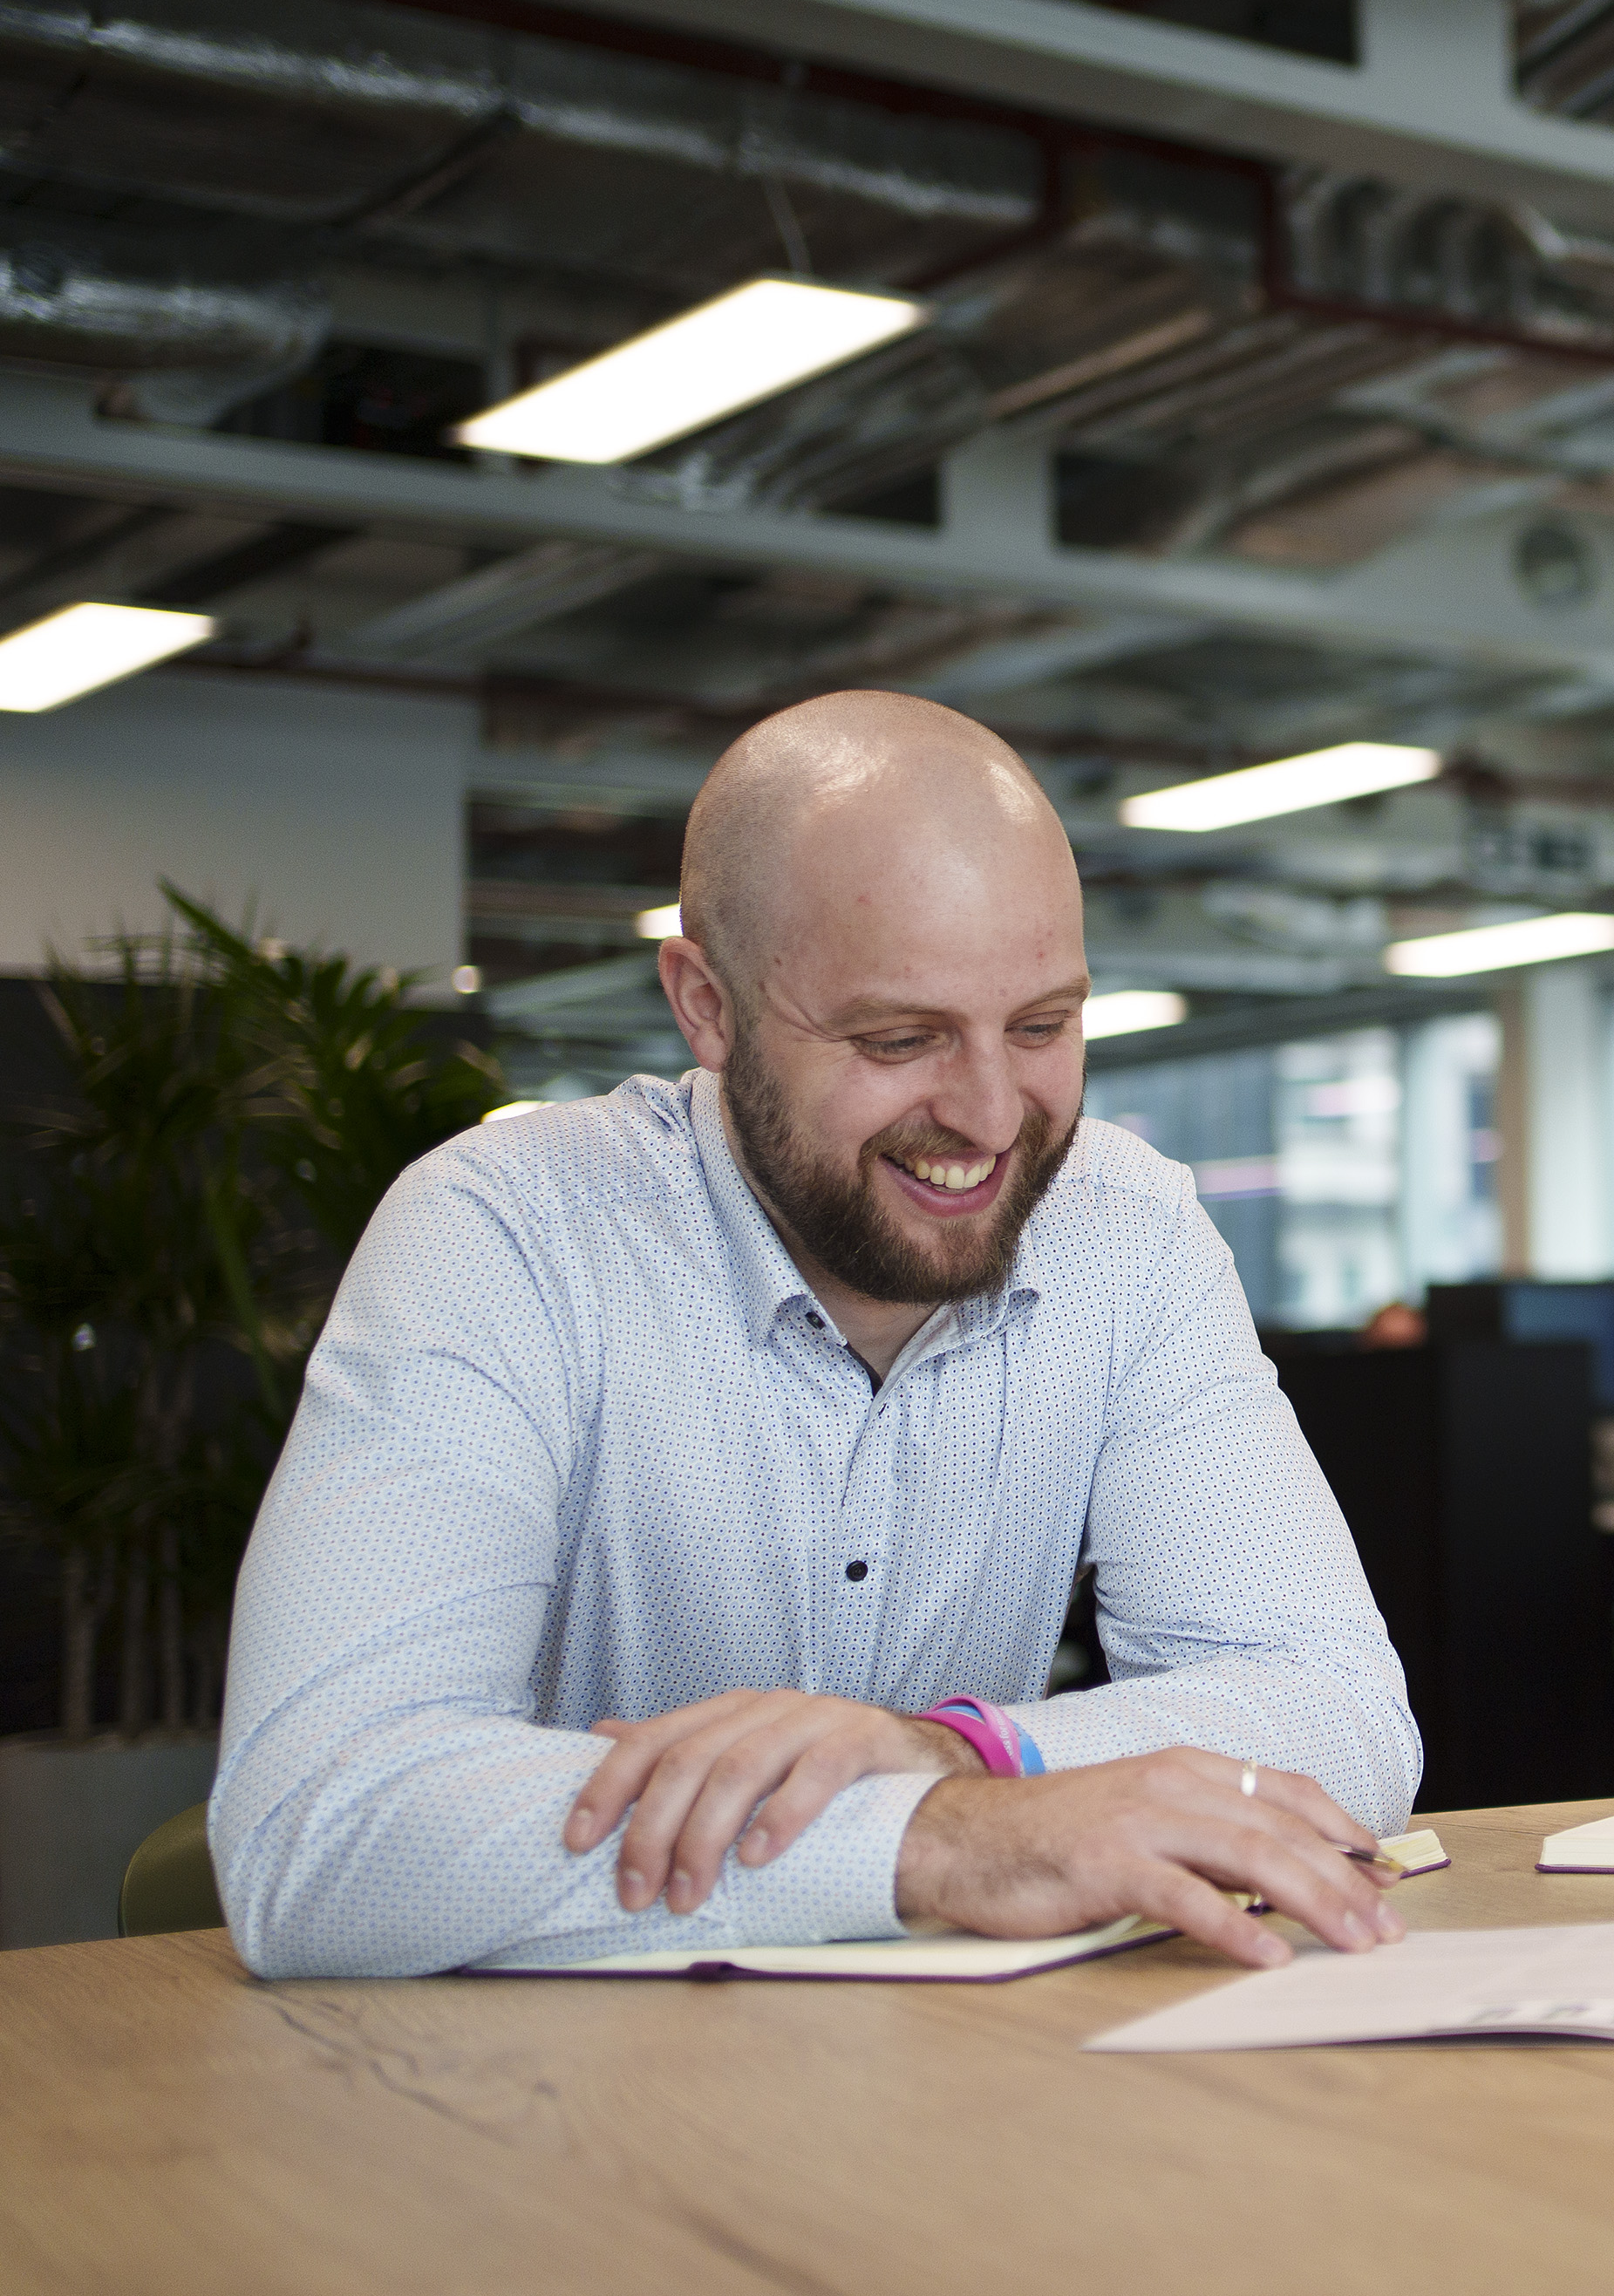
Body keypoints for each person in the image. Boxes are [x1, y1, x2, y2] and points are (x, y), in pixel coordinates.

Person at [213, 692, 1421, 1978]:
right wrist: (943, 1840)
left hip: (946, 2076)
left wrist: (965, 1753)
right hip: (542, 2089)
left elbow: (1339, 1714)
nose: (990, 1114)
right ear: (708, 1005)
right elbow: (322, 1825)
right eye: (899, 1039)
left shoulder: (1129, 1235)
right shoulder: (507, 1238)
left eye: (1043, 1027)